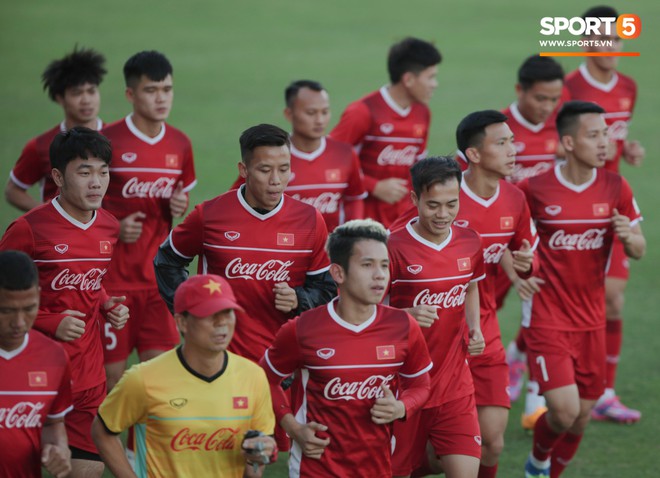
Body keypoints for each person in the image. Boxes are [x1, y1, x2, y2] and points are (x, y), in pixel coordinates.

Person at [520, 101, 645, 478]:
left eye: (606, 134)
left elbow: (639, 248)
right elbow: (511, 238)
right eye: (594, 135)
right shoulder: (534, 188)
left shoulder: (616, 186)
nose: (605, 142)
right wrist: (517, 267)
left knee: (582, 415)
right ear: (570, 143)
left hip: (591, 321)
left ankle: (546, 472)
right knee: (564, 411)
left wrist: (629, 237)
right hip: (547, 316)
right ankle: (538, 462)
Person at [0, 127, 129, 478]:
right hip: (30, 377)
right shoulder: (28, 229)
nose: (96, 183)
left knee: (87, 470)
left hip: (87, 375)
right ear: (57, 176)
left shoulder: (108, 227)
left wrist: (105, 304)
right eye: (84, 172)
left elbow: (92, 282)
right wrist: (48, 321)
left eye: (103, 172)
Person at [259, 219, 432, 477]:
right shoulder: (302, 329)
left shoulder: (404, 326)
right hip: (315, 468)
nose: (380, 275)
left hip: (377, 468)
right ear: (338, 273)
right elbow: (263, 379)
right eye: (367, 265)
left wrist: (401, 407)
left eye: (384, 265)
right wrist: (294, 428)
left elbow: (421, 385)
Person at [92, 274, 276, 478]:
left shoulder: (253, 377)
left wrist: (258, 453)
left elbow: (254, 469)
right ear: (182, 323)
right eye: (210, 314)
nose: (222, 322)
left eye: (228, 312)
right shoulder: (143, 379)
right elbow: (102, 431)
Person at [565, 5, 645, 424]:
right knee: (562, 295)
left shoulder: (628, 86)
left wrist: (626, 149)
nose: (612, 46)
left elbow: (616, 137)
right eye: (602, 39)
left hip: (612, 202)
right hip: (572, 208)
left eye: (616, 38)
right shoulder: (567, 88)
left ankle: (605, 394)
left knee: (613, 299)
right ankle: (525, 358)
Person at [100, 50, 196, 392]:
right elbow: (79, 205)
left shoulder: (180, 144)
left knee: (156, 380)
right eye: (151, 90)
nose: (161, 98)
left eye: (167, 89)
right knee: (109, 379)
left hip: (158, 283)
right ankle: (105, 447)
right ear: (130, 94)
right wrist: (115, 227)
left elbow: (179, 209)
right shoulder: (107, 142)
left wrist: (179, 206)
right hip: (114, 283)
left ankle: (140, 449)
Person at [388, 157, 485, 478]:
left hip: (454, 384)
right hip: (402, 388)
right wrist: (406, 316)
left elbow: (470, 287)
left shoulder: (470, 240)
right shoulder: (392, 247)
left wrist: (475, 329)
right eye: (433, 205)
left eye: (451, 204)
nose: (443, 214)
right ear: (414, 199)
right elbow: (361, 314)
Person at [453, 111, 538, 477]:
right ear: (473, 154)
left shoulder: (515, 199)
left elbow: (529, 259)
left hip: (483, 328)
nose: (512, 150)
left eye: (512, 141)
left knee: (492, 441)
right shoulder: (444, 195)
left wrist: (525, 264)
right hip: (434, 333)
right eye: (501, 143)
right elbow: (397, 249)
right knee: (426, 452)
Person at [498, 55, 566, 429]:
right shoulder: (495, 128)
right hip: (491, 247)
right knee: (475, 318)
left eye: (554, 100)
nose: (547, 108)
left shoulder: (558, 128)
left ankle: (536, 402)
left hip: (534, 245)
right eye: (540, 98)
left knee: (544, 313)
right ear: (519, 90)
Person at [330, 37, 441, 228]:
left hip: (402, 221)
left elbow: (418, 166)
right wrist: (375, 186)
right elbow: (330, 163)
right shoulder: (363, 112)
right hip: (362, 223)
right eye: (430, 77)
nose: (435, 84)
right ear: (408, 79)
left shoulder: (423, 113)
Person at [230, 80, 365, 231]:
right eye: (311, 113)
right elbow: (236, 199)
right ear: (289, 114)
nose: (320, 120)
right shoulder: (269, 155)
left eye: (325, 112)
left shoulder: (345, 153)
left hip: (330, 250)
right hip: (284, 249)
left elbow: (354, 199)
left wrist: (353, 234)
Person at [5, 47, 107, 211]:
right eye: (77, 93)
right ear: (60, 98)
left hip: (106, 235)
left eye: (91, 91)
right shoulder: (41, 146)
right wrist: (49, 218)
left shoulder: (119, 138)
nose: (86, 100)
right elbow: (13, 190)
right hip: (60, 236)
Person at [0, 251, 73, 478]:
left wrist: (58, 449)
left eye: (29, 308)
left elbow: (52, 423)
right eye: (6, 311)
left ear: (39, 296)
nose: (19, 323)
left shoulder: (54, 357)